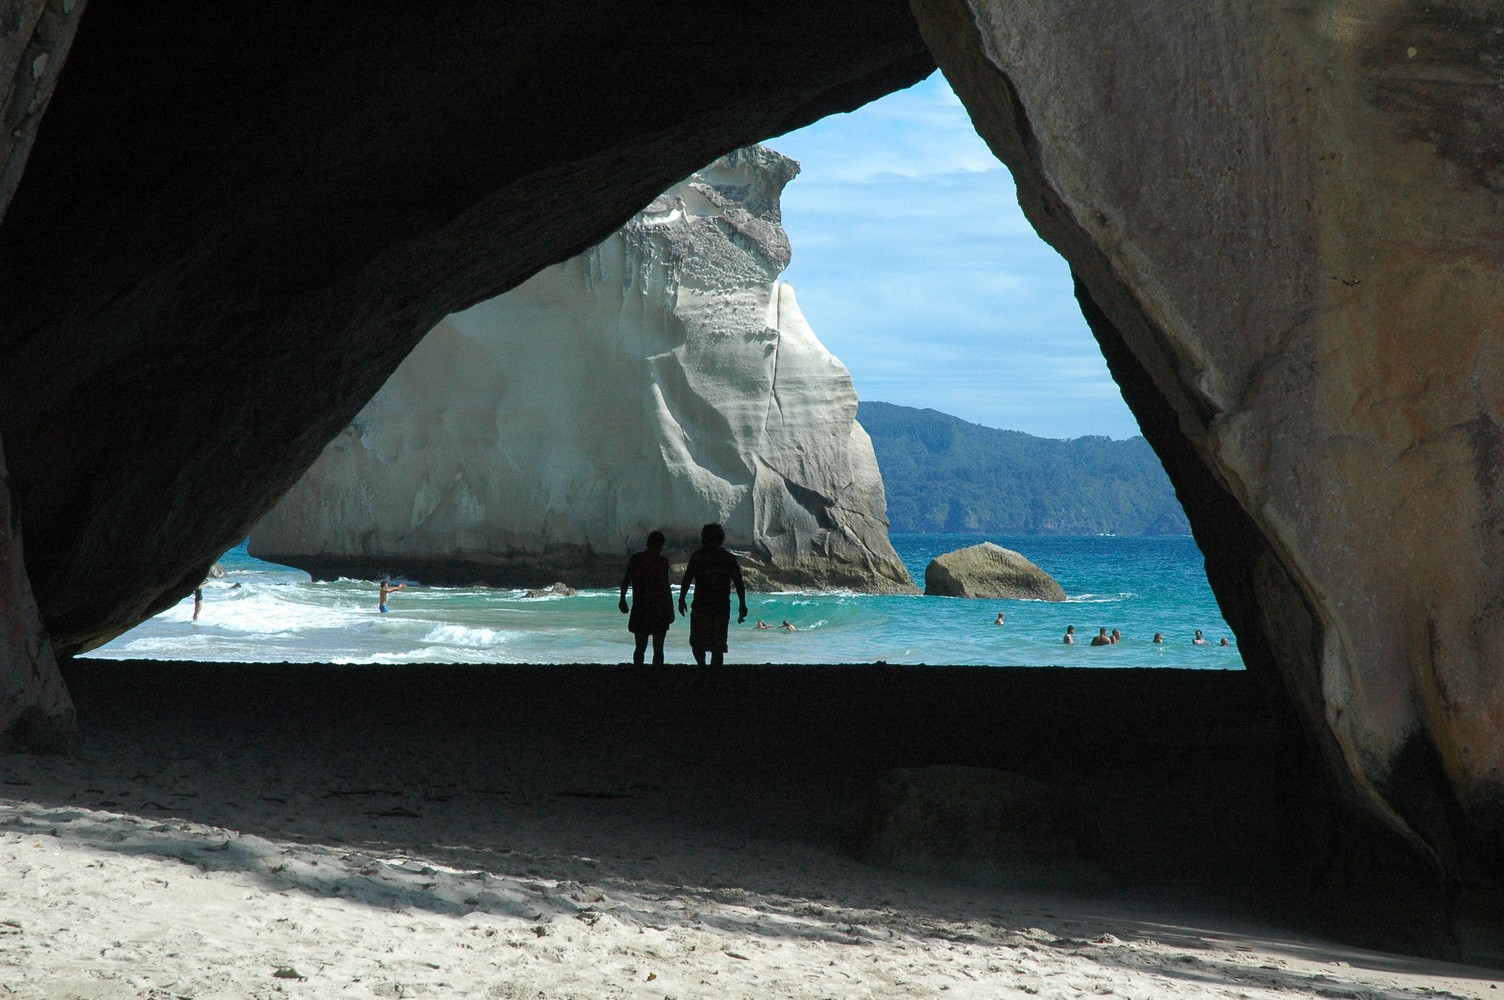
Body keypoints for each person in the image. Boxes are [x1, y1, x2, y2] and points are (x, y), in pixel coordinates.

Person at [678, 523, 747, 667]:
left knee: (698, 644)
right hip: (720, 608)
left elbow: (687, 578)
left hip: (701, 606)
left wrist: (682, 598)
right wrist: (742, 604)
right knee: (718, 647)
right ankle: (714, 677)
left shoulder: (698, 557)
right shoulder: (727, 558)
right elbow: (739, 583)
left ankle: (703, 668)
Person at [618, 530, 675, 666]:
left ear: (648, 543)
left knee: (640, 647)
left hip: (641, 607)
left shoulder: (636, 559)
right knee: (658, 649)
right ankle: (656, 676)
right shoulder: (662, 562)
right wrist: (671, 609)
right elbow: (665, 587)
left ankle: (638, 675)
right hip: (659, 608)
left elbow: (627, 580)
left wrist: (622, 599)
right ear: (661, 545)